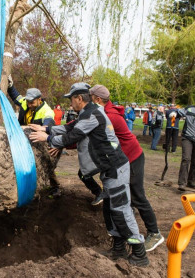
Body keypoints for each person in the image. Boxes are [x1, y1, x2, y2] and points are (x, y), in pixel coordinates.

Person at [29, 82, 149, 267]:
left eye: (71, 99)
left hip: (116, 169)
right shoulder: (88, 112)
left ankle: (139, 253)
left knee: (121, 211)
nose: (70, 103)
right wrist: (46, 129)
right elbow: (70, 127)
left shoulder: (92, 114)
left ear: (79, 98)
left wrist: (49, 138)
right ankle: (118, 249)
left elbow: (73, 136)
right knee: (110, 211)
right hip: (108, 170)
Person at [89, 85, 164, 252]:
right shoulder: (104, 113)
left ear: (98, 99)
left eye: (90, 97)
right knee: (117, 197)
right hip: (120, 161)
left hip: (132, 158)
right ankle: (120, 236)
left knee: (137, 196)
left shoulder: (109, 117)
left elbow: (82, 131)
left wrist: (52, 135)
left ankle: (155, 233)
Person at [6, 75, 60, 197]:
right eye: (28, 102)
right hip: (23, 139)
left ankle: (55, 187)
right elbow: (17, 97)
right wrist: (10, 86)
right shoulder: (26, 102)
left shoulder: (47, 112)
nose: (29, 104)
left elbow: (48, 127)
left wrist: (26, 128)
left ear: (39, 99)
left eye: (32, 102)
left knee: (45, 164)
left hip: (38, 141)